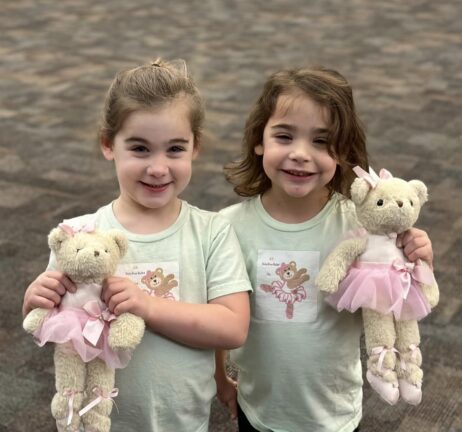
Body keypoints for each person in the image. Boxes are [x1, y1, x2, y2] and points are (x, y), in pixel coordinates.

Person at [22, 58, 252, 432]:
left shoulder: (212, 232)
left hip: (184, 422)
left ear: (196, 147)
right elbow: (54, 329)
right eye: (140, 149)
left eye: (175, 149)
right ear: (108, 144)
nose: (158, 167)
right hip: (100, 421)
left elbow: (233, 328)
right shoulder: (79, 234)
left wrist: (146, 305)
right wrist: (34, 299)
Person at [215, 66, 434, 432]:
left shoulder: (361, 226)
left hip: (335, 415)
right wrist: (221, 378)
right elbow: (218, 313)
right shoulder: (228, 227)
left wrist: (418, 257)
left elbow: (401, 299)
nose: (301, 154)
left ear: (344, 151)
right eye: (284, 136)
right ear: (259, 140)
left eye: (321, 141)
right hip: (260, 411)